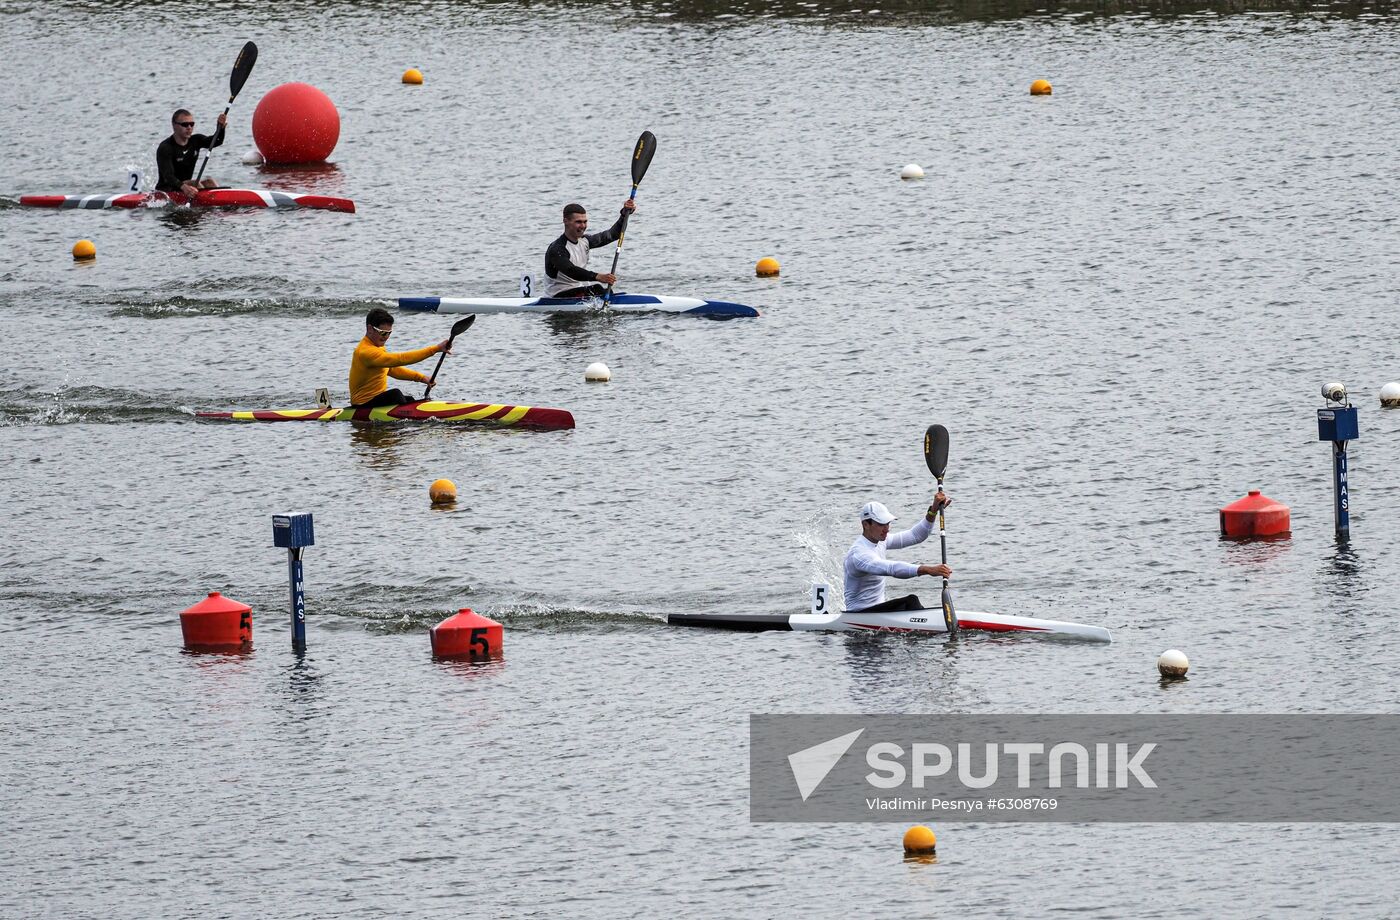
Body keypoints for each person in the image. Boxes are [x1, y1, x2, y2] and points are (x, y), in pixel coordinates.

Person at [842, 497, 953, 613]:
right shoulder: (859, 554)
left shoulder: (880, 540)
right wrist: (928, 570)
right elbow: (892, 569)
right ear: (866, 525)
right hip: (859, 614)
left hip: (878, 610)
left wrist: (933, 511)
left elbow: (915, 535)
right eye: (881, 524)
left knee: (910, 603)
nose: (887, 529)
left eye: (888, 523)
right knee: (911, 601)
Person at [348, 308, 451, 408]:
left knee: (409, 399)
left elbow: (392, 369)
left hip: (377, 399)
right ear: (370, 329)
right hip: (363, 404)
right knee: (396, 394)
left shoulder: (377, 347)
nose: (386, 337)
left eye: (389, 333)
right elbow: (401, 359)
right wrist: (435, 349)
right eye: (382, 332)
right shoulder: (365, 352)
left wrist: (421, 378)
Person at [543, 199, 637, 298]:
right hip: (557, 295)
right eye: (578, 222)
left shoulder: (585, 241)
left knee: (605, 291)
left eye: (585, 222)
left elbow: (613, 234)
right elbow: (571, 270)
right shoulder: (557, 248)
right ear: (566, 221)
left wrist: (624, 215)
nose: (583, 226)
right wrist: (598, 276)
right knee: (597, 289)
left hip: (578, 289)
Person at [155, 108, 228, 197]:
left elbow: (216, 141)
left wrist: (220, 128)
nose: (189, 127)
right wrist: (183, 187)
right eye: (185, 124)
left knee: (210, 182)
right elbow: (168, 176)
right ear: (174, 125)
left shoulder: (196, 140)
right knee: (195, 184)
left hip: (187, 187)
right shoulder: (165, 147)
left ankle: (221, 204)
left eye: (191, 124)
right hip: (168, 189)